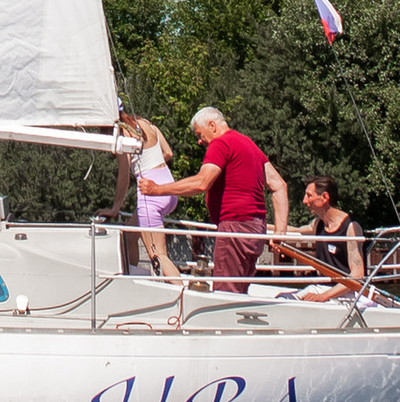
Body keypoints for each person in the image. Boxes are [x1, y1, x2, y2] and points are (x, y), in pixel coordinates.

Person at [163, 104, 290, 285]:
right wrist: (280, 232)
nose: (200, 141)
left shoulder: (221, 143)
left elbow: (201, 183)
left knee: (226, 289)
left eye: (200, 134)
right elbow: (279, 186)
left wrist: (157, 190)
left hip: (235, 229)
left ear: (212, 126)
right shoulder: (249, 144)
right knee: (239, 289)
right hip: (255, 230)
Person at [117, 108, 179, 280]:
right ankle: (134, 278)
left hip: (150, 194)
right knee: (129, 236)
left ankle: (184, 294)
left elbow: (123, 176)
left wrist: (115, 208)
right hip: (169, 187)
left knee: (158, 255)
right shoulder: (147, 124)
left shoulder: (122, 134)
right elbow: (168, 153)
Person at [286, 177, 367, 295]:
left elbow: (357, 275)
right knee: (283, 298)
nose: (304, 201)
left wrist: (323, 297)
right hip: (325, 289)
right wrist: (263, 227)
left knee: (287, 300)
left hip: (348, 293)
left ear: (324, 197)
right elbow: (295, 231)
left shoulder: (351, 228)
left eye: (309, 195)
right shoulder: (318, 225)